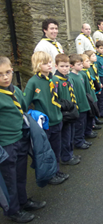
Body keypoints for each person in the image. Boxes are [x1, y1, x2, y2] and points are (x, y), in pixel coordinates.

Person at [0, 56, 46, 223]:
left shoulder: (16, 91)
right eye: (0, 74)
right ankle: (13, 210)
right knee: (9, 178)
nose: (5, 77)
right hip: (5, 145)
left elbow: (23, 108)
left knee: (20, 174)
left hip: (20, 139)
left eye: (8, 72)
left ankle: (23, 201)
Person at [24, 51, 68, 185]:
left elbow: (58, 98)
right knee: (45, 151)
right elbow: (24, 103)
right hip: (44, 124)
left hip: (57, 120)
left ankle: (56, 170)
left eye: (50, 62)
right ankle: (48, 175)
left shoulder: (55, 80)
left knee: (56, 148)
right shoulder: (33, 83)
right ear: (37, 65)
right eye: (45, 63)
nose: (49, 65)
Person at [54, 54, 81, 166]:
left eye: (66, 66)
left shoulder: (67, 78)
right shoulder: (56, 80)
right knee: (65, 135)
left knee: (70, 133)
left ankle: (70, 153)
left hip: (71, 110)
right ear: (56, 66)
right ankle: (66, 157)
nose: (65, 68)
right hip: (64, 112)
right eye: (62, 66)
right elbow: (55, 98)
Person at [67, 54, 93, 150]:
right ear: (72, 66)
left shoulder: (80, 75)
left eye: (82, 64)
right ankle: (78, 142)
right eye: (79, 64)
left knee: (83, 123)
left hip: (84, 104)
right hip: (79, 106)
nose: (81, 65)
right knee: (79, 125)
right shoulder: (71, 77)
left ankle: (82, 139)